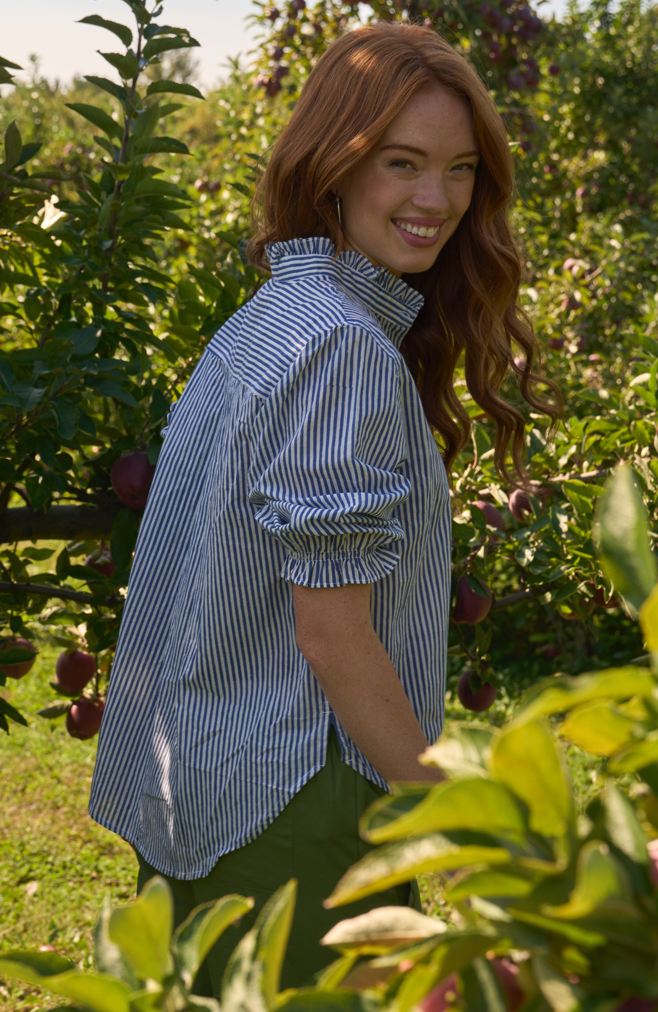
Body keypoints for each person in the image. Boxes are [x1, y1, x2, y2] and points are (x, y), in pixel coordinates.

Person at [89, 19, 559, 997]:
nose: (437, 199)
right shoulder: (342, 345)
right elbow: (332, 638)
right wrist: (456, 822)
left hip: (199, 790)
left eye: (461, 168)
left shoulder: (270, 317)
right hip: (296, 804)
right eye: (402, 162)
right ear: (334, 164)